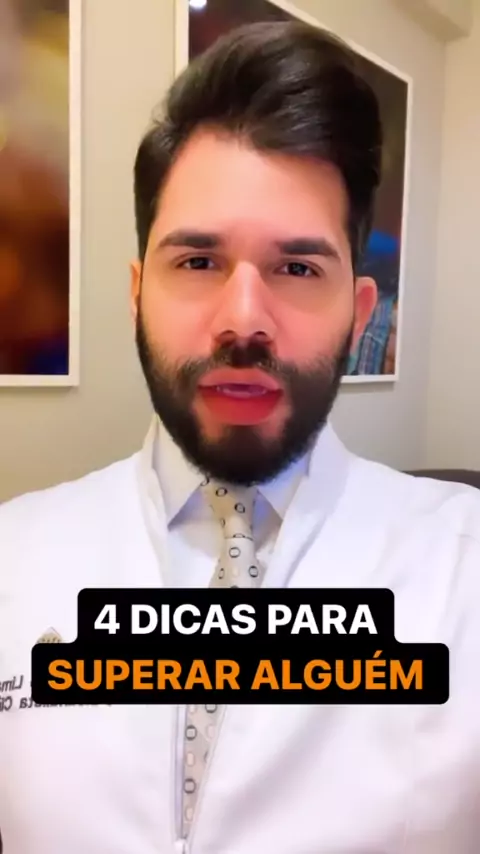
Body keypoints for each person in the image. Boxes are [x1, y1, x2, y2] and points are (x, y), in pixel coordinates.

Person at [0, 20, 479, 854]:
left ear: (358, 313)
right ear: (137, 295)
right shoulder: (11, 555)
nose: (245, 321)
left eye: (298, 268)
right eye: (197, 262)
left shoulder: (465, 569)